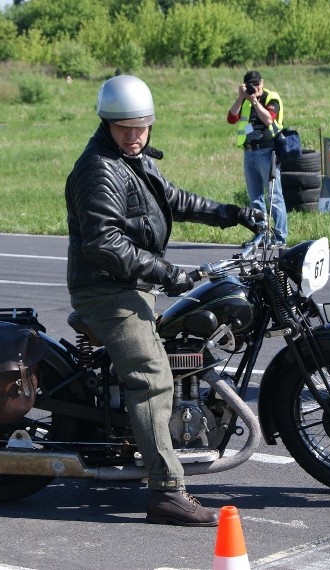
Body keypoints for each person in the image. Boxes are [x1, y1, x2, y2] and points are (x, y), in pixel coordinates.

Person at [64, 75, 264, 526]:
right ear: (106, 124)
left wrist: (232, 215)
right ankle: (166, 492)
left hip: (130, 282)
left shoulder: (132, 160)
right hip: (106, 289)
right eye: (125, 128)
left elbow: (171, 198)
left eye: (142, 126)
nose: (135, 135)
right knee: (153, 377)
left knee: (178, 351)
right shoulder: (99, 169)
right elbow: (105, 244)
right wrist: (169, 274)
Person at [227, 70, 288, 244]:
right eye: (251, 85)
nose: (256, 87)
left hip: (268, 152)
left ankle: (280, 236)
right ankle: (262, 235)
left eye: (258, 84)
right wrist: (240, 98)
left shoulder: (271, 97)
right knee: (255, 198)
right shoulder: (244, 100)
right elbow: (231, 118)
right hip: (250, 152)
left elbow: (269, 119)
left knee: (274, 197)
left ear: (263, 82)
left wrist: (255, 102)